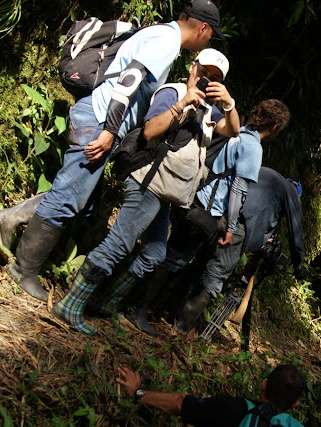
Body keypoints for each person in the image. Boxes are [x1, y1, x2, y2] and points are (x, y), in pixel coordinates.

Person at [0, 1, 225, 302]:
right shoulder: (167, 41)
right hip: (100, 120)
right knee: (68, 197)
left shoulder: (159, 33)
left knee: (82, 199)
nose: (207, 40)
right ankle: (23, 269)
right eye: (210, 35)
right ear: (202, 28)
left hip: (98, 117)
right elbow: (129, 80)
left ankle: (10, 219)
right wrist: (110, 130)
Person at [52, 48, 240, 335]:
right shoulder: (173, 93)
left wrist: (229, 104)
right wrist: (185, 102)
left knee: (154, 252)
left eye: (214, 78)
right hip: (148, 182)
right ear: (192, 67)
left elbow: (234, 130)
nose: (206, 80)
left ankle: (106, 305)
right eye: (204, 72)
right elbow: (151, 131)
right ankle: (70, 304)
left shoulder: (209, 111)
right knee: (118, 243)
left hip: (166, 191)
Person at [125, 101, 291, 336]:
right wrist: (231, 227)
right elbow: (238, 190)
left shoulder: (236, 132)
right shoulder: (253, 147)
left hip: (192, 200)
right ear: (275, 127)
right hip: (206, 210)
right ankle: (137, 309)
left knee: (172, 256)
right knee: (174, 260)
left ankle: (141, 306)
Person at [176, 166, 307, 333]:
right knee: (216, 273)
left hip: (218, 211)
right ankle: (183, 327)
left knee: (200, 261)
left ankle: (169, 306)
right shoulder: (291, 193)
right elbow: (295, 230)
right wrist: (298, 264)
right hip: (239, 226)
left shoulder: (267, 174)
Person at [116, 363, 305, 427]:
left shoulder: (231, 407)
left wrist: (137, 392)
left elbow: (179, 403)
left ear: (263, 384)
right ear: (294, 404)